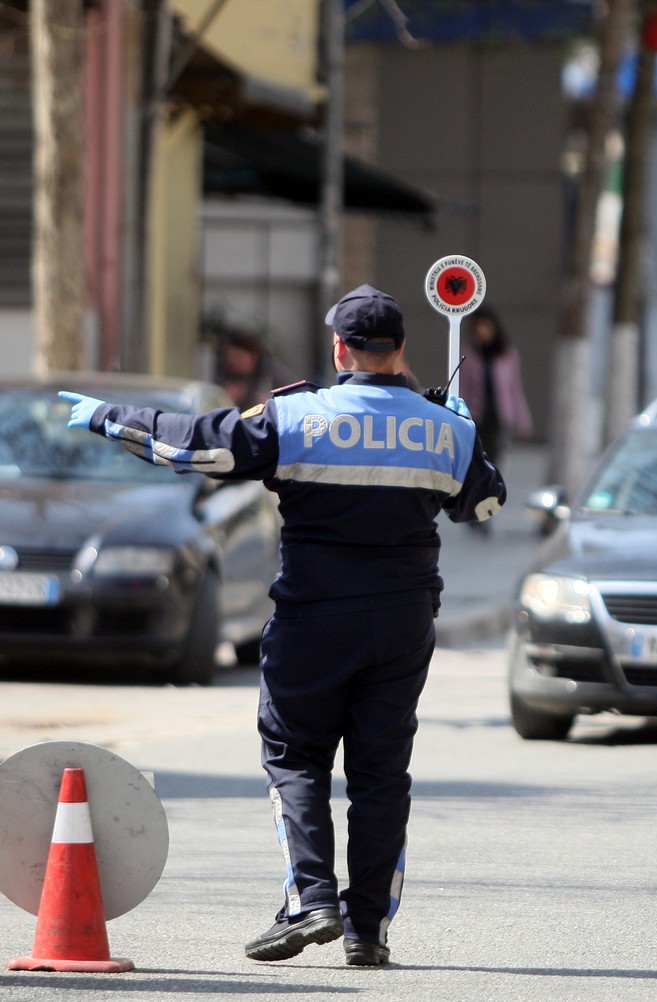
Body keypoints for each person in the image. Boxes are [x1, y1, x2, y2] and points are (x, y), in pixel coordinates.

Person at [60, 284, 506, 968]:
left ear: (339, 349)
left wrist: (107, 418)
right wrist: (463, 428)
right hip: (403, 622)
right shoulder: (442, 426)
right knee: (381, 775)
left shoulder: (298, 416)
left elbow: (197, 449)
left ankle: (310, 897)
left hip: (314, 619)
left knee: (296, 756)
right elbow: (483, 508)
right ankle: (369, 929)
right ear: (401, 351)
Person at [457, 304, 533, 471]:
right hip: (476, 416)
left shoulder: (506, 353)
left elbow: (514, 389)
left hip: (500, 417)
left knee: (497, 462)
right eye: (478, 326)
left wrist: (522, 420)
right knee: (476, 461)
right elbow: (463, 386)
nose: (482, 331)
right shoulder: (469, 352)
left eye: (486, 326)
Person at [213, 327, 298, 409]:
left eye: (239, 357)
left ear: (253, 357)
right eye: (230, 358)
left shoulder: (274, 376)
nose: (233, 363)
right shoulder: (224, 374)